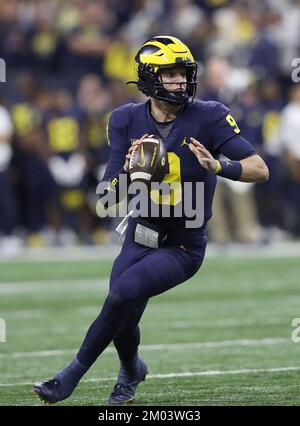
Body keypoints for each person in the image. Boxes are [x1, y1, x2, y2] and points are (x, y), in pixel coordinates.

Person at [32, 36, 269, 405]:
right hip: (140, 234)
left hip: (183, 243)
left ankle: (69, 377)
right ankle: (131, 371)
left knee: (122, 294)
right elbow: (106, 197)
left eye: (183, 73)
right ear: (149, 78)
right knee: (123, 314)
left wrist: (219, 165)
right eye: (170, 74)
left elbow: (260, 169)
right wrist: (129, 174)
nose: (179, 82)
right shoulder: (124, 119)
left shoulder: (209, 114)